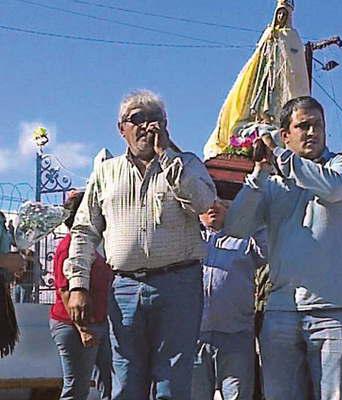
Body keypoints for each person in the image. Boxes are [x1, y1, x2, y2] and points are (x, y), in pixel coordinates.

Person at [64, 89, 217, 399]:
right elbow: (83, 230)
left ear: (166, 125)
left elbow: (203, 203)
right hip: (124, 287)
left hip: (179, 285)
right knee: (125, 382)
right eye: (137, 119)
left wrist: (168, 158)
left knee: (172, 385)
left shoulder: (187, 165)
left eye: (155, 119)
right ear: (121, 128)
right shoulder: (106, 173)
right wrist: (78, 284)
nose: (147, 126)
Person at [224, 96, 342, 400]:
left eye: (317, 125)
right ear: (286, 134)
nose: (312, 132)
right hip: (281, 311)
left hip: (337, 310)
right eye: (303, 126)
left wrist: (279, 154)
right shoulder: (272, 181)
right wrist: (260, 172)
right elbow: (235, 227)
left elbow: (332, 188)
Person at [193, 199, 268, 400]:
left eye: (220, 203)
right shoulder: (189, 239)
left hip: (236, 335)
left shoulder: (244, 240)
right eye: (207, 202)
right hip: (194, 335)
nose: (213, 207)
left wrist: (246, 214)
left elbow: (266, 249)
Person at [50, 191, 112, 400]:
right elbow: (65, 290)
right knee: (77, 387)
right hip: (74, 324)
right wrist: (83, 329)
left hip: (101, 322)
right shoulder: (69, 247)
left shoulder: (96, 246)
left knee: (112, 381)